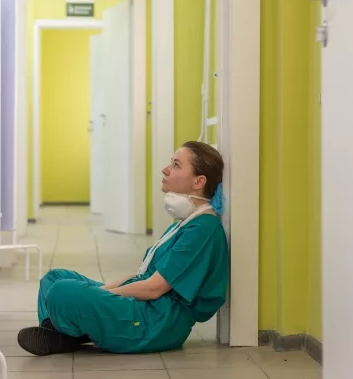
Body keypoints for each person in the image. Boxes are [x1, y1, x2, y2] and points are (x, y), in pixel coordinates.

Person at [17, 141, 230, 356]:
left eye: (176, 165)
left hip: (157, 323)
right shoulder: (186, 222)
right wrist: (98, 295)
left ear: (199, 181)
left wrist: (102, 295)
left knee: (62, 292)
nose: (165, 169)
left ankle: (66, 334)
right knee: (54, 278)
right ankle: (69, 335)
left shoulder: (202, 229)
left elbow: (153, 288)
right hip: (147, 308)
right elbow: (141, 276)